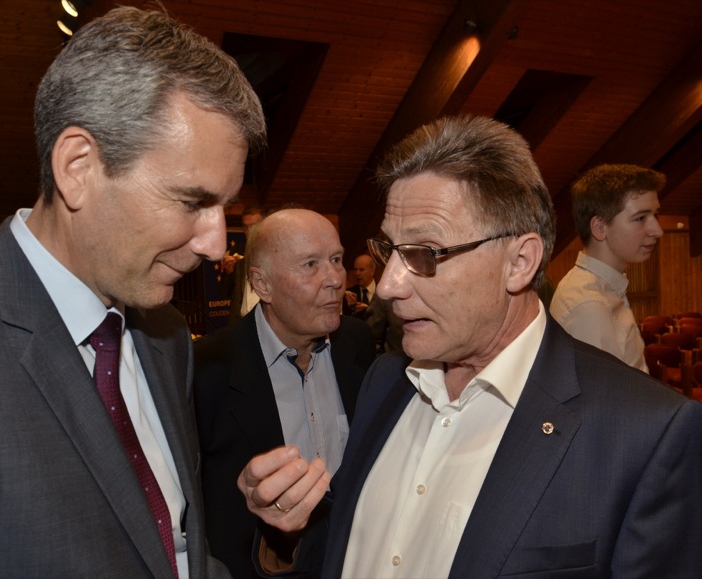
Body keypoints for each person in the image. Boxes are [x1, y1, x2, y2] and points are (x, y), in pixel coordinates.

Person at [237, 115, 702, 578]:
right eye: (390, 250)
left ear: (519, 263)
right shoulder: (385, 381)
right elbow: (349, 545)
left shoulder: (647, 435)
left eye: (424, 253)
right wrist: (285, 540)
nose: (388, 286)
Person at [0, 6, 266, 578]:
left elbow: (171, 552)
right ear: (77, 167)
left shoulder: (166, 335)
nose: (216, 245)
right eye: (192, 201)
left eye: (224, 206)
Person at [193, 208, 375, 579]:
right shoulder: (207, 368)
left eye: (336, 259)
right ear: (262, 284)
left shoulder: (357, 343)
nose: (335, 279)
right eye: (310, 264)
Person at [550, 164, 665, 373]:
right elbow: (600, 393)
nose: (657, 230)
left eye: (655, 215)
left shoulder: (605, 289)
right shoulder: (589, 306)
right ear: (600, 228)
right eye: (640, 218)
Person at [221, 205, 267, 324]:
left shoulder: (275, 251)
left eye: (253, 226)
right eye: (245, 226)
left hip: (268, 321)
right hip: (242, 321)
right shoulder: (237, 251)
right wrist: (228, 272)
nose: (249, 231)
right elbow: (225, 293)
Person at [344, 254, 375, 319]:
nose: (357, 273)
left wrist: (368, 309)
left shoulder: (383, 293)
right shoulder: (349, 294)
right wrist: (352, 309)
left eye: (361, 270)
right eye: (355, 270)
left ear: (372, 271)